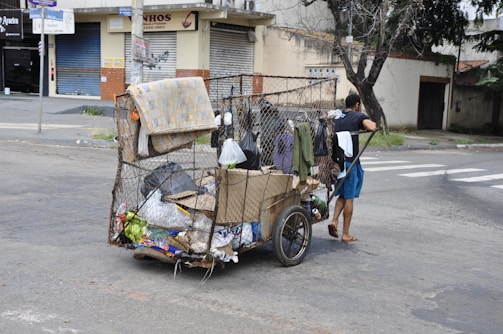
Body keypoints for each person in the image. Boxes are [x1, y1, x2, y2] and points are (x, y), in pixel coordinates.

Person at [328, 93, 377, 242]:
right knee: (349, 197)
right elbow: (372, 126)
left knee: (341, 194)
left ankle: (334, 221)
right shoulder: (357, 116)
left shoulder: (338, 116)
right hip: (349, 163)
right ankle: (346, 233)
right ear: (356, 105)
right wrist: (366, 123)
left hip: (337, 163)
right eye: (359, 105)